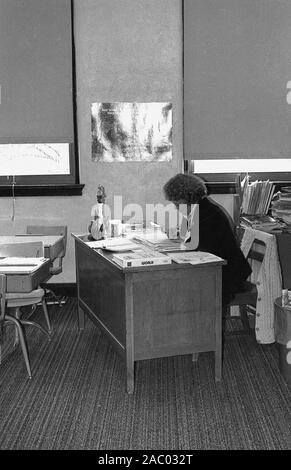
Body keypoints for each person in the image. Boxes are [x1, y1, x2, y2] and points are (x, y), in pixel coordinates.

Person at [163, 173, 252, 305]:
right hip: (215, 269)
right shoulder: (199, 209)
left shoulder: (209, 216)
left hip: (227, 275)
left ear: (189, 199)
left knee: (174, 287)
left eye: (177, 204)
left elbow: (200, 251)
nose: (176, 208)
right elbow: (189, 238)